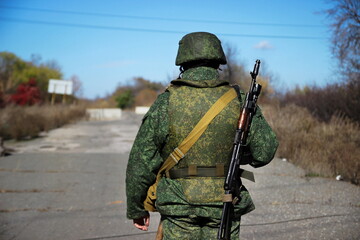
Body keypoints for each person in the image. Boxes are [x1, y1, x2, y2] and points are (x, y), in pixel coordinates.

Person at [126, 32, 278, 240]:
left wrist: (137, 209)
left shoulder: (166, 102)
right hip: (224, 202)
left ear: (182, 61)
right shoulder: (238, 99)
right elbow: (264, 152)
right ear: (218, 61)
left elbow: (141, 161)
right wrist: (235, 155)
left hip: (178, 208)